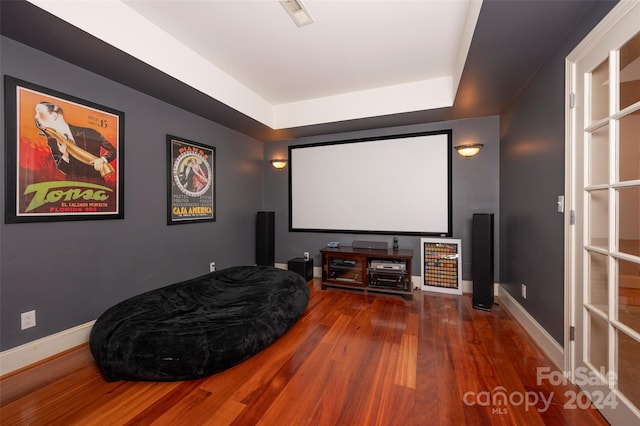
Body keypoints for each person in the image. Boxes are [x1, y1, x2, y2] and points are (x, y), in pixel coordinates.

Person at [34, 101, 116, 184]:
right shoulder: (52, 141)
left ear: (54, 115)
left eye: (40, 113)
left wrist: (102, 160)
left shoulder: (90, 133)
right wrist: (65, 156)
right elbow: (63, 169)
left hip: (96, 184)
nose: (36, 116)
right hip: (73, 186)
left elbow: (113, 150)